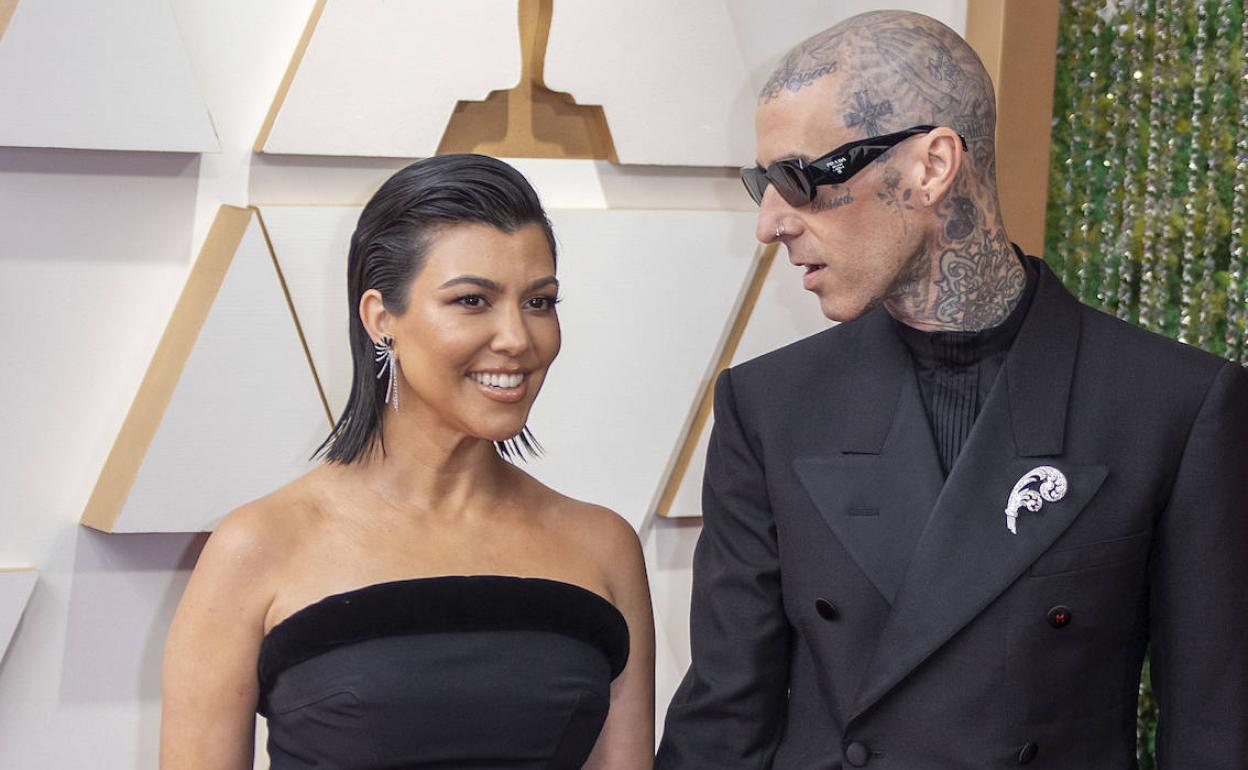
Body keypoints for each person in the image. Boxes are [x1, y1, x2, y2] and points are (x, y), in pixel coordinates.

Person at [658, 10, 1247, 768]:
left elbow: (1214, 729)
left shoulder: (1173, 405)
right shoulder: (769, 407)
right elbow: (723, 723)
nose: (771, 223)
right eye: (761, 185)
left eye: (799, 180)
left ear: (931, 166)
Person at [161, 154, 655, 769]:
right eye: (472, 300)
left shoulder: (601, 545)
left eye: (539, 301)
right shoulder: (259, 545)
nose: (517, 339)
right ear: (381, 318)